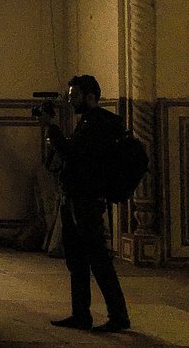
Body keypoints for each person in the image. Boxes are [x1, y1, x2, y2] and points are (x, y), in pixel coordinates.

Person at [42, 74, 131, 333]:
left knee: (99, 261)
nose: (71, 102)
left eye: (75, 97)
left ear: (91, 97)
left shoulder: (98, 125)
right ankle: (81, 313)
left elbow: (73, 156)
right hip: (76, 200)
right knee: (77, 261)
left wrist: (52, 128)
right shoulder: (89, 123)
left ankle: (118, 315)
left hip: (86, 202)